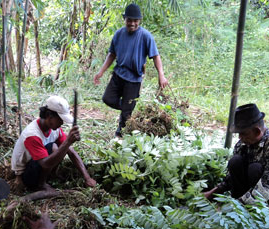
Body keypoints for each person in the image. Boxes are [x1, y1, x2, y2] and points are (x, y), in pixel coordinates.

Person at [93, 3, 169, 137]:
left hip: (133, 79)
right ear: (125, 19)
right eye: (129, 20)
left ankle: (120, 135)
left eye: (135, 20)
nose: (132, 23)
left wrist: (161, 75)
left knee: (126, 115)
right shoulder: (118, 34)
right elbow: (111, 54)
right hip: (118, 75)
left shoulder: (146, 36)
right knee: (107, 99)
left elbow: (156, 56)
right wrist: (101, 72)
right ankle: (128, 110)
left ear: (139, 21)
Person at [204, 104, 269, 204]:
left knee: (255, 169)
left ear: (257, 131)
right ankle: (243, 204)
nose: (240, 137)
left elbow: (266, 188)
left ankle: (259, 209)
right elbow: (229, 179)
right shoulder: (242, 145)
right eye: (239, 134)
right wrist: (211, 194)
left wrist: (238, 206)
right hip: (258, 188)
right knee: (235, 161)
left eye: (243, 133)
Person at [11, 95, 96, 191]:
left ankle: (48, 178)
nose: (62, 123)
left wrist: (87, 178)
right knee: (54, 147)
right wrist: (68, 141)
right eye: (60, 119)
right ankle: (41, 185)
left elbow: (71, 151)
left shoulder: (55, 129)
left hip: (37, 165)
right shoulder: (32, 135)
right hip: (26, 175)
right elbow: (45, 164)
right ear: (49, 116)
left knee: (60, 148)